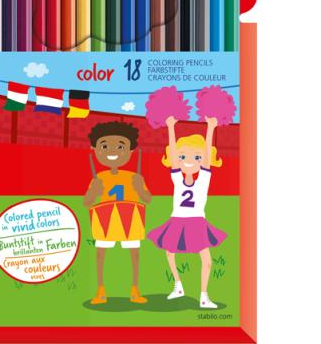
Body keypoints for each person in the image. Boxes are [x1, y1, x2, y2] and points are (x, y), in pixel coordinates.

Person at [147, 116, 226, 308]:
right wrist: (171, 128)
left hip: (196, 221)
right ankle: (178, 286)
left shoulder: (203, 180)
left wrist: (210, 128)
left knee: (206, 260)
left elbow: (206, 155)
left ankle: (204, 296)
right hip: (177, 220)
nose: (188, 161)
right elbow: (174, 154)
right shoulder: (177, 178)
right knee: (169, 253)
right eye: (183, 157)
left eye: (196, 157)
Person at [84, 121, 152, 305]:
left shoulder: (134, 177)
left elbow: (147, 199)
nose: (112, 151)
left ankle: (134, 289)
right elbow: (87, 203)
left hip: (131, 218)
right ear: (95, 149)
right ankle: (101, 289)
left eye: (120, 146)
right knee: (101, 255)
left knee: (134, 255)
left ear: (131, 150)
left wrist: (140, 188)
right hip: (105, 220)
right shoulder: (99, 178)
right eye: (104, 146)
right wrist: (93, 192)